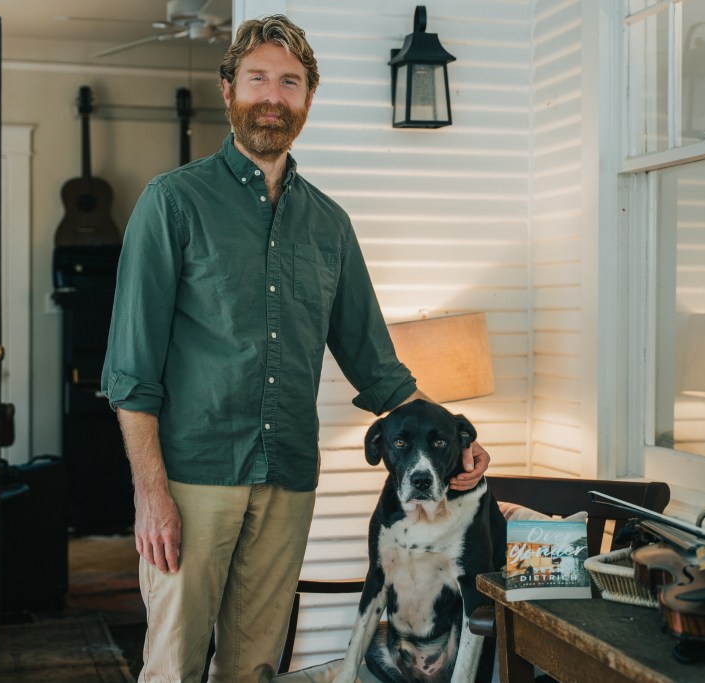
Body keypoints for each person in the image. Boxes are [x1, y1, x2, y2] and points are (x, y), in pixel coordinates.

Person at [100, 14, 491, 683]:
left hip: (286, 480)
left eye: (290, 82)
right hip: (193, 479)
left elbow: (379, 370)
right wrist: (150, 492)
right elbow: (131, 371)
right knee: (173, 665)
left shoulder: (330, 226)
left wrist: (457, 436)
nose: (273, 96)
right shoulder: (174, 204)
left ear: (308, 99)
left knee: (254, 666)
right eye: (258, 78)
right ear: (228, 89)